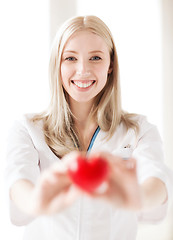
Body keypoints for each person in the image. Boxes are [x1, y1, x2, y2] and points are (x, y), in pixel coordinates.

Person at [5, 15, 173, 240]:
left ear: (110, 65)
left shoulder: (140, 130)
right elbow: (18, 182)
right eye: (70, 58)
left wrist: (140, 197)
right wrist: (36, 200)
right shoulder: (27, 129)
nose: (83, 70)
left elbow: (157, 180)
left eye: (95, 57)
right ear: (58, 64)